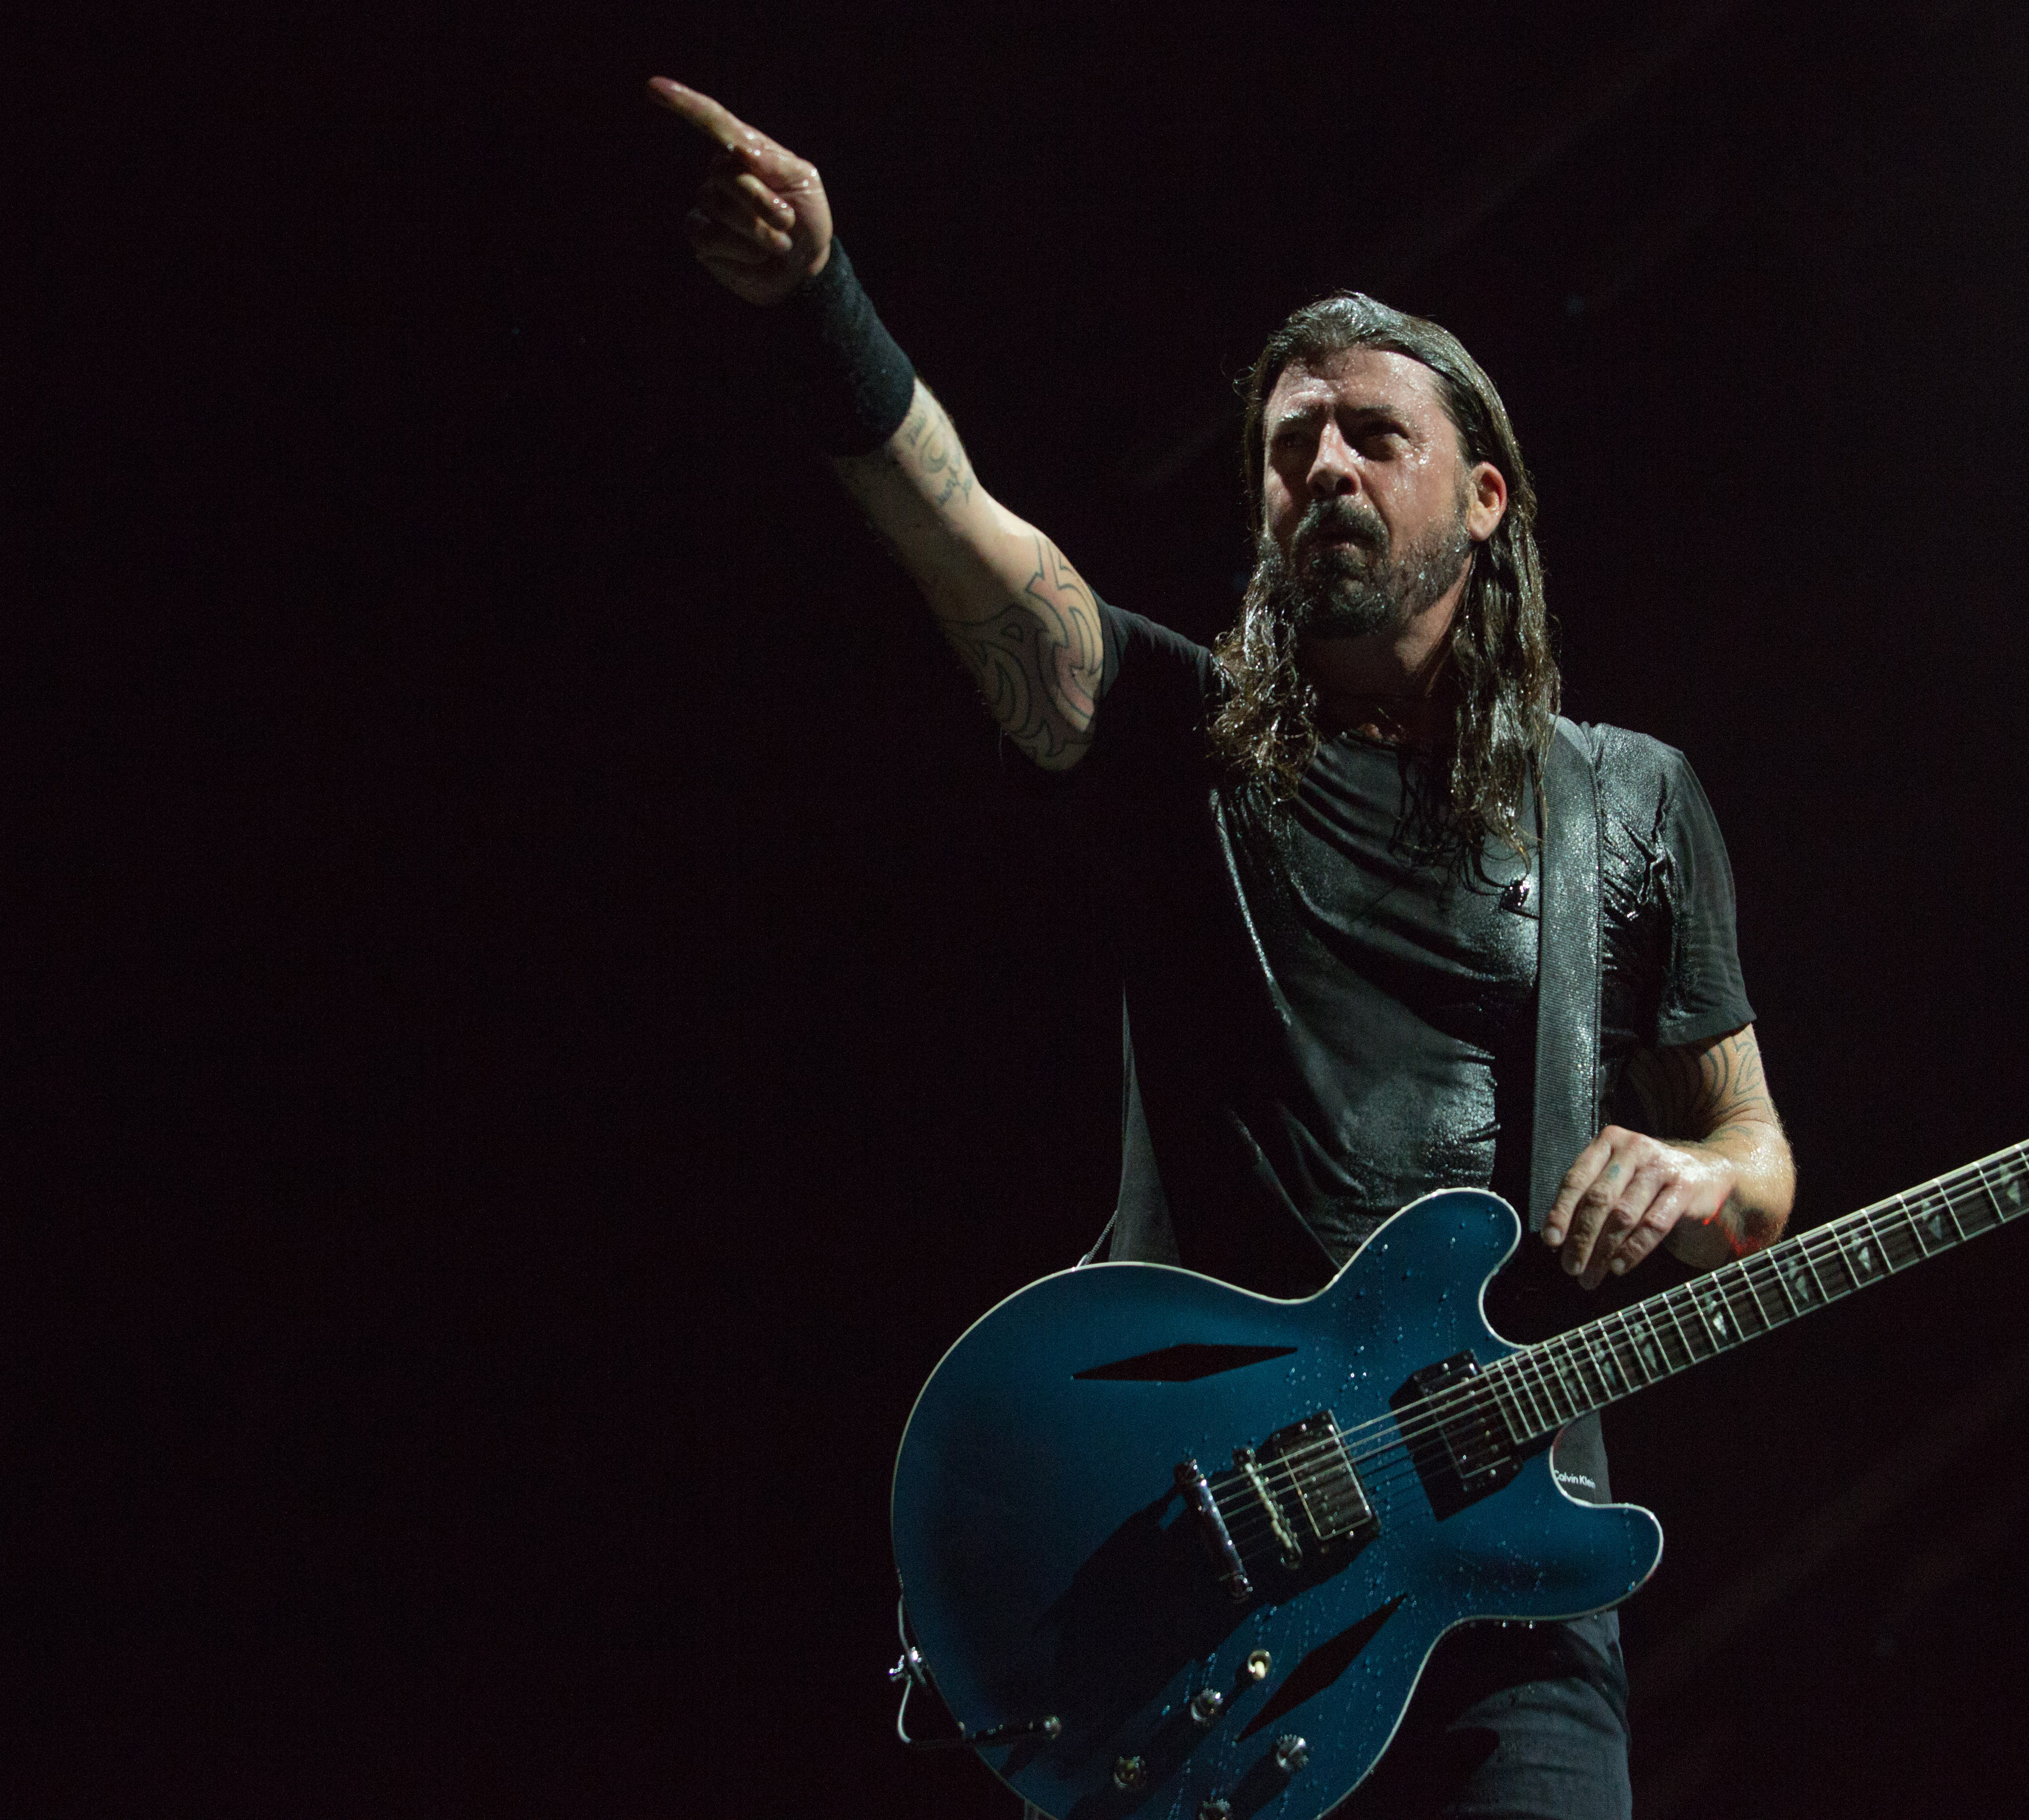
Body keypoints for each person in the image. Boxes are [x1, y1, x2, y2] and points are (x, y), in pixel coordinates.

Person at [650, 76, 1798, 1819]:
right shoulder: (1182, 748)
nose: (1321, 464)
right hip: (1220, 1562)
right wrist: (821, 300)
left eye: (1371, 436)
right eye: (1288, 444)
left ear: (1485, 497)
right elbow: (958, 534)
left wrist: (1697, 1177)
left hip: (1506, 1569)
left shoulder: (1628, 801)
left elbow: (1755, 1157)